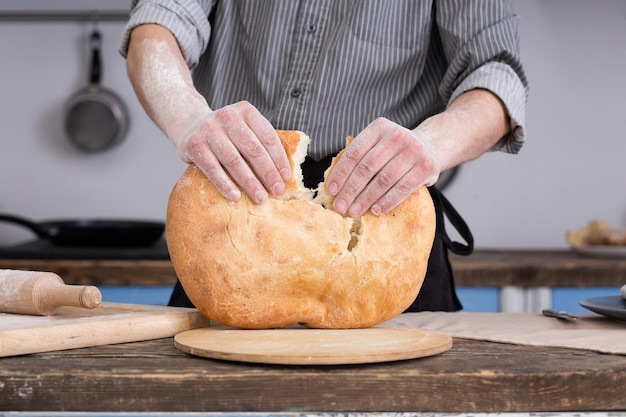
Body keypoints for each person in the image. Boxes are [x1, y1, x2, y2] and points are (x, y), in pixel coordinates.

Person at [120, 0, 528, 311]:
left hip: (383, 215)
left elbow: (494, 71)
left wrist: (434, 144)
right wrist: (189, 118)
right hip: (233, 224)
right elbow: (157, 26)